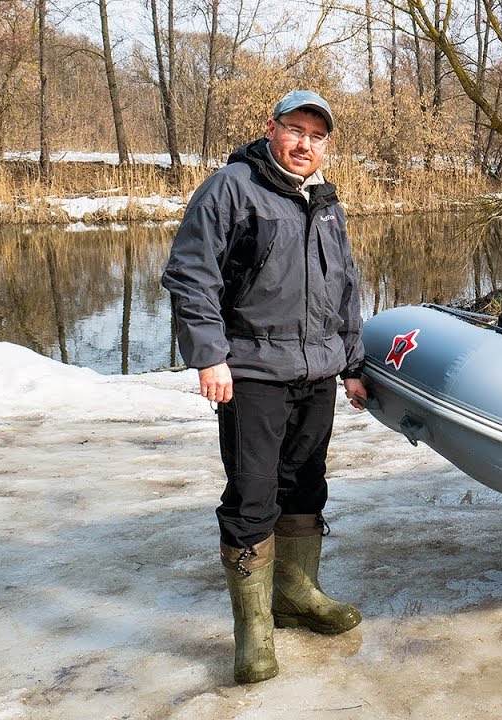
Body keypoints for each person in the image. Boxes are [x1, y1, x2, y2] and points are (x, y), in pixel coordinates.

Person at [162, 90, 368, 685]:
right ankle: (253, 633)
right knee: (254, 493)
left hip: (316, 372)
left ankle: (297, 595)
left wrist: (351, 364)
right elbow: (190, 275)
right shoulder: (231, 187)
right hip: (250, 371)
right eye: (295, 130)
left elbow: (345, 290)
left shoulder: (326, 204)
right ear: (272, 129)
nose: (305, 144)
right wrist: (209, 356)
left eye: (317, 135)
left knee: (306, 484)